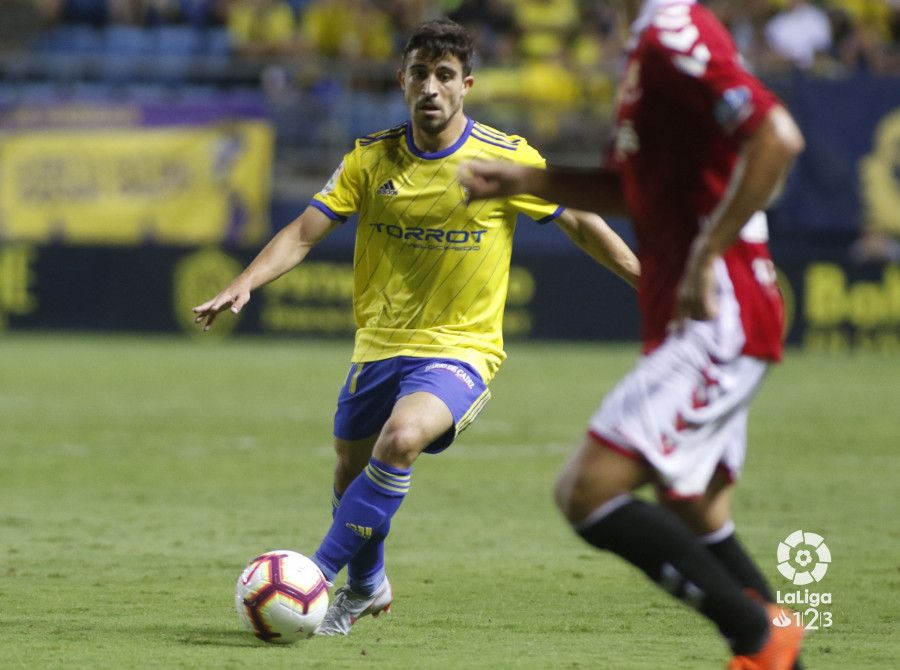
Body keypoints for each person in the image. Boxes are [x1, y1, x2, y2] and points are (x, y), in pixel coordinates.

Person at [193, 18, 639, 636]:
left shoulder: (507, 160)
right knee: (350, 475)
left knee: (401, 440)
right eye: (421, 75)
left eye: (445, 76)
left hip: (462, 350)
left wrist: (648, 279)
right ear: (402, 81)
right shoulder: (370, 158)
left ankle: (312, 580)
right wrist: (244, 280)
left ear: (467, 85)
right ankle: (368, 586)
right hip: (377, 346)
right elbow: (302, 232)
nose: (432, 87)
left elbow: (584, 223)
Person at [459, 1, 806, 668]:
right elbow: (636, 189)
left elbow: (778, 138)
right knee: (697, 512)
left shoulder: (674, 32)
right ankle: (779, 653)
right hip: (698, 315)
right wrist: (529, 180)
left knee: (587, 491)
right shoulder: (646, 44)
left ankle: (759, 638)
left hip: (718, 311)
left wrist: (706, 255)